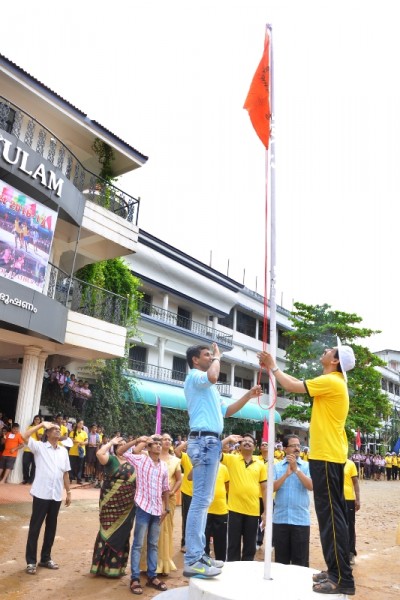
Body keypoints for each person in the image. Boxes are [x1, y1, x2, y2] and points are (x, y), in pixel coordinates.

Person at [259, 340, 356, 596]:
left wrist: (272, 367)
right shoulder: (330, 382)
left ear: (335, 361)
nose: (325, 351)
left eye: (329, 350)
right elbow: (294, 381)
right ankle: (335, 570)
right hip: (328, 455)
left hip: (327, 457)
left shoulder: (333, 381)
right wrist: (275, 368)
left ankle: (342, 578)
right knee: (329, 518)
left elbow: (291, 385)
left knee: (332, 520)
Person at [183, 342, 261, 578]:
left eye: (211, 354)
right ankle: (193, 558)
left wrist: (247, 395)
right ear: (196, 360)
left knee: (202, 502)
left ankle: (198, 555)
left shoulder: (207, 387)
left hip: (210, 442)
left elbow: (227, 411)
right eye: (207, 355)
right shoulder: (196, 376)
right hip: (205, 441)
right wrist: (218, 357)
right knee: (200, 502)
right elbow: (214, 376)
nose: (212, 357)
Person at [118, 435, 170, 595]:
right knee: (138, 544)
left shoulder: (164, 466)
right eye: (154, 444)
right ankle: (134, 578)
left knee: (153, 544)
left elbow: (165, 488)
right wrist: (138, 441)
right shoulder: (141, 460)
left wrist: (166, 508)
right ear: (148, 447)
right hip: (142, 507)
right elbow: (120, 451)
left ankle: (152, 576)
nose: (158, 446)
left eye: (159, 444)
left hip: (156, 510)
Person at [22, 420, 71, 575]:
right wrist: (42, 425)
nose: (57, 431)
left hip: (56, 494)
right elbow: (24, 436)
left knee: (51, 527)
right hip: (41, 493)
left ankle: (45, 558)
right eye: (54, 429)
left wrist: (68, 492)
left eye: (58, 429)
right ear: (47, 433)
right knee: (35, 527)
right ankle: (31, 561)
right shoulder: (40, 447)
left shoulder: (63, 451)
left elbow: (66, 473)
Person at [90, 436, 136, 577]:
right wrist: (110, 442)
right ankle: (101, 567)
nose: (123, 447)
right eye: (120, 445)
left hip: (127, 505)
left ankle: (117, 567)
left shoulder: (133, 460)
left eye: (125, 444)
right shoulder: (111, 460)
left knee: (123, 532)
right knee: (107, 530)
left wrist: (138, 441)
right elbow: (99, 454)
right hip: (110, 503)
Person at [221, 433, 267, 561]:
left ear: (255, 446)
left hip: (253, 511)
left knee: (250, 547)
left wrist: (266, 511)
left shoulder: (260, 465)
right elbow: (215, 450)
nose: (247, 443)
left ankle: (246, 572)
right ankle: (232, 571)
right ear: (239, 446)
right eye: (244, 441)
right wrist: (228, 439)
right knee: (233, 545)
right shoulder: (231, 459)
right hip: (234, 509)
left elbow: (264, 488)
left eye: (250, 442)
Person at [272, 434, 313, 567]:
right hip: (280, 520)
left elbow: (311, 486)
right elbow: (272, 487)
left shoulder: (306, 466)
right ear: (285, 448)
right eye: (293, 445)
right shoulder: (277, 467)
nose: (297, 448)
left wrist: (296, 469)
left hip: (300, 520)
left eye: (298, 445)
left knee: (300, 563)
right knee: (281, 562)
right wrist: (286, 474)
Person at [344, 458, 360, 566]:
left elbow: (355, 482)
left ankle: (351, 552)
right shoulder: (333, 463)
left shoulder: (350, 464)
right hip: (335, 500)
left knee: (350, 526)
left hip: (349, 499)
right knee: (337, 527)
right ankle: (340, 552)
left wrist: (357, 499)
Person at [22, 416, 43, 484]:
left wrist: (36, 429)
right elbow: (26, 436)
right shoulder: (29, 427)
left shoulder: (41, 428)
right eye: (35, 419)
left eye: (38, 419)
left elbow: (39, 438)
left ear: (40, 421)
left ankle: (31, 480)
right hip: (28, 448)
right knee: (25, 463)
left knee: (34, 465)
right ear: (33, 420)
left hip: (36, 448)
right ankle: (26, 478)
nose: (37, 420)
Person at [69, 419, 88, 484]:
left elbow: (86, 441)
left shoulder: (84, 433)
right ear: (77, 424)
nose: (81, 425)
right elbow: (71, 440)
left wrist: (83, 443)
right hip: (73, 451)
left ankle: (79, 479)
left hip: (81, 452)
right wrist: (79, 442)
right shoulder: (72, 432)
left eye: (82, 424)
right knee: (72, 465)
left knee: (80, 466)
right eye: (80, 423)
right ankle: (71, 478)